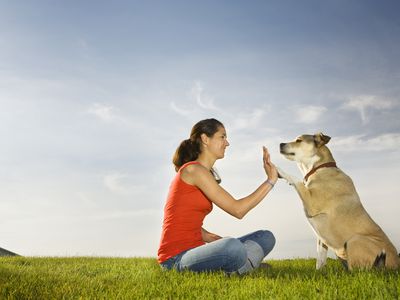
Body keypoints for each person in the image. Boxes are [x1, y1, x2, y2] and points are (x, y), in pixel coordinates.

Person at [157, 118, 278, 274]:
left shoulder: (202, 173)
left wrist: (211, 238)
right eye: (222, 137)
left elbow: (182, 218)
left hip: (196, 251)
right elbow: (238, 210)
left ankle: (240, 265)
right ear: (205, 139)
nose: (227, 143)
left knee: (266, 237)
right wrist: (270, 181)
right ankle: (243, 267)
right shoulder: (193, 170)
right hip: (175, 259)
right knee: (232, 247)